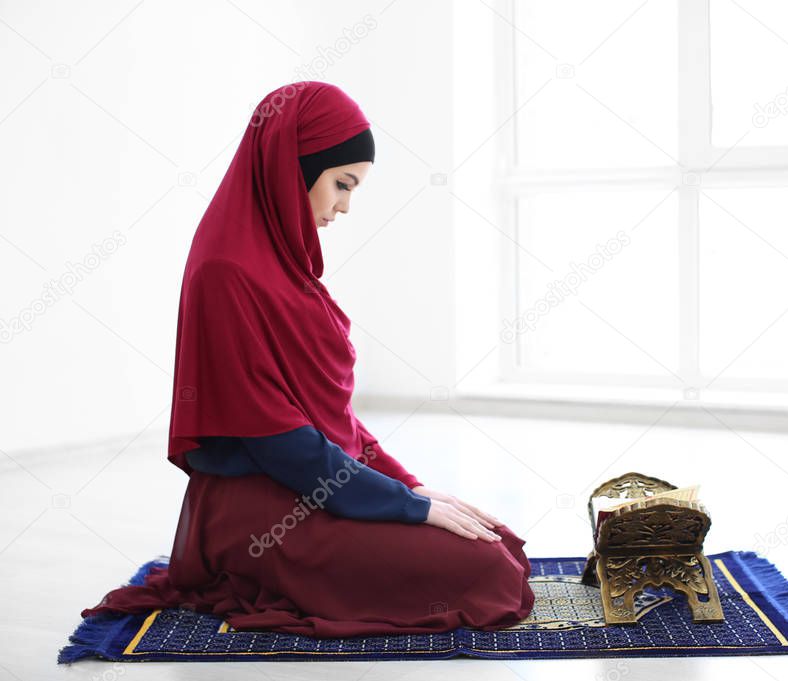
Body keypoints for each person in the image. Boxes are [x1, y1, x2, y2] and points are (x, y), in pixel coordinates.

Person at [78, 81, 535, 638]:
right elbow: (280, 441)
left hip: (310, 484)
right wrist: (403, 506)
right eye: (341, 184)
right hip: (263, 510)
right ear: (292, 167)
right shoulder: (228, 272)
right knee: (486, 572)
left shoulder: (282, 264)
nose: (344, 207)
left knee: (499, 544)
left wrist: (410, 487)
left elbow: (329, 416)